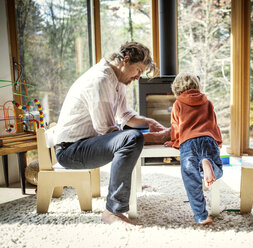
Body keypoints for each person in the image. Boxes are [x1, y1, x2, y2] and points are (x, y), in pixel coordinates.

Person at [54, 41, 170, 226]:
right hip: (71, 151)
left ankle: (128, 187)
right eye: (138, 70)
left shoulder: (118, 80)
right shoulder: (100, 79)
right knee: (131, 138)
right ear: (125, 60)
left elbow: (125, 115)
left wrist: (149, 122)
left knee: (132, 137)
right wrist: (158, 137)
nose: (138, 77)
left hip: (88, 144)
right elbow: (106, 130)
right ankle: (112, 212)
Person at [164, 72, 223, 225]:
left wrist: (174, 142)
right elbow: (213, 124)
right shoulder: (207, 102)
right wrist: (218, 141)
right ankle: (206, 164)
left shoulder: (178, 104)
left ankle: (201, 216)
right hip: (208, 139)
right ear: (197, 86)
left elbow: (175, 127)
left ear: (176, 89)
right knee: (219, 169)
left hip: (188, 143)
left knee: (191, 180)